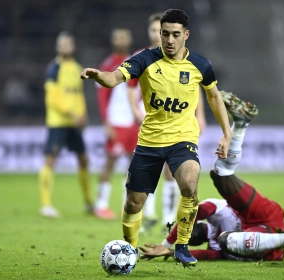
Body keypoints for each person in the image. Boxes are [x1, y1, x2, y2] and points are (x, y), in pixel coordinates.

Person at [81, 9, 232, 267]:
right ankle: (130, 246)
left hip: (183, 139)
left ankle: (181, 246)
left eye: (175, 35)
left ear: (186, 35)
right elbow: (115, 77)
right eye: (165, 34)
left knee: (189, 183)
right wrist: (100, 77)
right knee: (133, 203)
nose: (169, 40)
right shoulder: (145, 59)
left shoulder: (200, 64)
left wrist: (226, 134)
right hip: (150, 141)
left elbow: (214, 96)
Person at [139, 92, 284, 261]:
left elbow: (195, 211)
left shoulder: (213, 210)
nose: (189, 234)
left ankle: (240, 123)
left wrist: (167, 244)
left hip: (261, 214)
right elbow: (210, 254)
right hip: (267, 243)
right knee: (226, 241)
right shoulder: (214, 244)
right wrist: (174, 251)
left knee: (220, 175)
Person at [127, 13, 207, 231]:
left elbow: (193, 88)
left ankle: (169, 218)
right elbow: (130, 88)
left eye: (159, 30)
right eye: (156, 31)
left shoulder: (185, 59)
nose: (159, 35)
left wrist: (200, 116)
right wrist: (135, 111)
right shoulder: (142, 57)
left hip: (177, 125)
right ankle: (149, 214)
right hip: (150, 121)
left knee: (172, 172)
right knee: (147, 173)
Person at [39, 31, 92, 218]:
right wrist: (71, 114)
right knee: (50, 160)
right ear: (57, 47)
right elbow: (52, 97)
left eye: (68, 43)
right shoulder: (54, 68)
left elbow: (78, 94)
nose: (65, 47)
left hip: (74, 122)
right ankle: (45, 204)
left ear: (73, 46)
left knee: (84, 160)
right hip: (58, 122)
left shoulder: (77, 67)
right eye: (62, 44)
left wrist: (83, 114)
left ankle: (88, 203)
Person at [94, 28, 136, 220]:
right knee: (110, 161)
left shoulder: (134, 62)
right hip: (116, 121)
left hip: (133, 122)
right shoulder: (108, 64)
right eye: (118, 37)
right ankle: (101, 204)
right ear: (113, 40)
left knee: (133, 165)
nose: (121, 40)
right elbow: (102, 96)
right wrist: (107, 122)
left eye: (124, 36)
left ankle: (126, 204)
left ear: (129, 39)